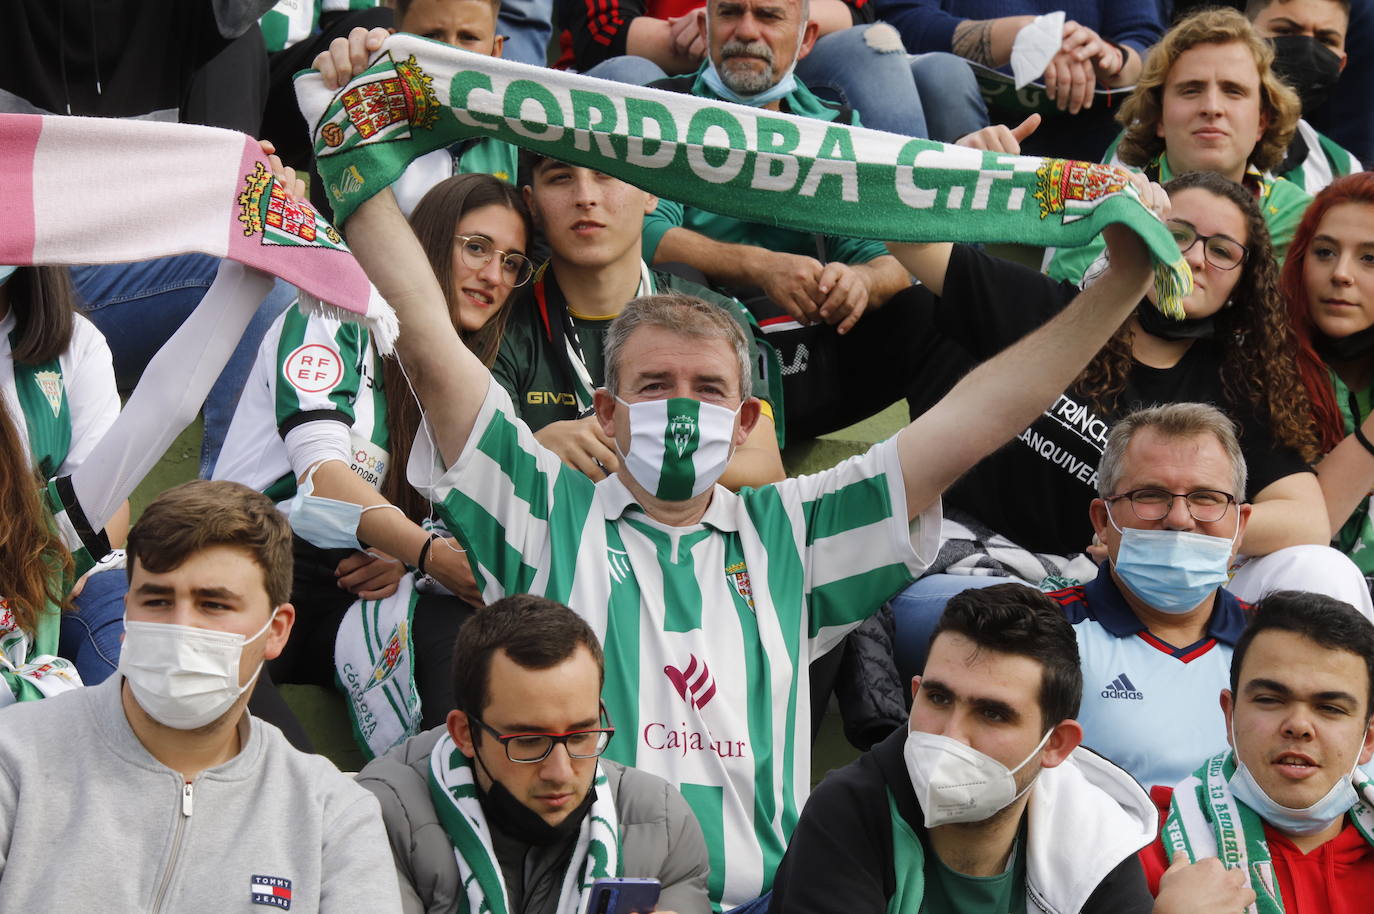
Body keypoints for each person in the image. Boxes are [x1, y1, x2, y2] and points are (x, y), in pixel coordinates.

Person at [333, 124, 1171, 903]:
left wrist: (1124, 283)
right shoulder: (547, 512)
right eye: (655, 387)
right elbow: (431, 349)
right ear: (608, 412)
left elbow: (985, 411)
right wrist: (354, 149)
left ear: (745, 423)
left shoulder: (794, 532)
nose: (682, 410)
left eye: (708, 390)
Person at [888, 171, 1351, 679]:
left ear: (1243, 280)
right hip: (965, 573)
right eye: (1177, 235)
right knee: (1014, 631)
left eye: (1222, 250)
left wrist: (1162, 531)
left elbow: (1307, 522)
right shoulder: (1047, 309)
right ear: (1138, 231)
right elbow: (904, 234)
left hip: (1113, 600)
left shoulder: (1235, 390)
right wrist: (978, 172)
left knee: (1327, 571)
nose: (1195, 259)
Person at [215, 172, 532, 740]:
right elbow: (322, 476)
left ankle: (450, 802)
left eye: (512, 262)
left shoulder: (475, 384)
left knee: (475, 660)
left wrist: (406, 553)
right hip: (257, 560)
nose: (493, 275)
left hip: (361, 587)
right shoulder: (333, 314)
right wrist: (425, 551)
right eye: (477, 247)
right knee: (255, 731)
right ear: (426, 242)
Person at [0, 479, 403, 912]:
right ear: (126, 609)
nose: (181, 628)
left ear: (277, 630)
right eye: (157, 601)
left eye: (214, 605)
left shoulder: (332, 815)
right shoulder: (15, 755)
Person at [769, 583, 1256, 914]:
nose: (950, 734)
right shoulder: (848, 810)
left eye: (992, 713)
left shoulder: (1098, 840)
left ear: (1057, 745)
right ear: (913, 692)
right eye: (938, 698)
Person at [641, 0, 939, 440]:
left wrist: (860, 281)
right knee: (670, 278)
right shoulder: (659, 108)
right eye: (730, 13)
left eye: (767, 16)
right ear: (705, 28)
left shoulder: (837, 127)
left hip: (813, 363)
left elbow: (894, 257)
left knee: (930, 308)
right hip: (703, 372)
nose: (746, 30)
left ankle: (946, 488)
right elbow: (644, 235)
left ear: (807, 38)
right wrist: (761, 267)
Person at [357, 594, 711, 914]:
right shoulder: (377, 817)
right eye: (528, 741)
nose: (559, 772)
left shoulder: (661, 823)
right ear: (465, 733)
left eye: (580, 735)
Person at [494, 154, 785, 487]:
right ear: (532, 203)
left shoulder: (714, 316)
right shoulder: (500, 320)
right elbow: (479, 477)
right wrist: (532, 453)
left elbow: (765, 470)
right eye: (561, 177)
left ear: (651, 191)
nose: (585, 197)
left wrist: (637, 459)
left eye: (607, 173)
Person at [1139, 590, 1374, 910]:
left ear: (1369, 738)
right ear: (1229, 716)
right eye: (1270, 699)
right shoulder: (1137, 849)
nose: (1298, 725)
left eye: (1330, 707)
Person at [1044, 7, 1312, 285]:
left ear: (1262, 121)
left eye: (1233, 91)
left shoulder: (1303, 221)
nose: (1211, 107)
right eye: (1191, 90)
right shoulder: (1098, 207)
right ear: (1157, 116)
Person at [564, 0, 987, 144]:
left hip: (791, 61)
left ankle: (906, 239)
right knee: (626, 74)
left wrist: (764, 23)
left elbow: (857, 8)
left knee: (873, 44)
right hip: (664, 65)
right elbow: (601, 32)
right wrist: (721, 29)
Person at [0, 266, 126, 685]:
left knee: (130, 631)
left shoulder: (76, 341)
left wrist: (52, 574)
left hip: (51, 567)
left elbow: (107, 502)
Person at [870, 0, 1164, 160]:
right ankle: (958, 255)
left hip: (1088, 117)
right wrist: (1028, 35)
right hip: (959, 113)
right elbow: (899, 22)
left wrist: (1110, 57)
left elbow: (1148, 42)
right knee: (942, 73)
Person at [313, 22, 519, 220]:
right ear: (394, 40)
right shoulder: (361, 118)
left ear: (495, 48)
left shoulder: (517, 135)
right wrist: (337, 100)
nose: (449, 52)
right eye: (430, 36)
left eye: (468, 37)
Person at [1286, 172, 1374, 585]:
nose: (1341, 274)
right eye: (1324, 252)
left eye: (1370, 259)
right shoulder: (1255, 364)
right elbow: (1303, 534)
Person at [1251, 0, 1363, 192]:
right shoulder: (1197, 138)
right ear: (1246, 39)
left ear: (1341, 65)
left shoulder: (1341, 168)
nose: (1307, 49)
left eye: (1326, 40)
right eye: (1286, 31)